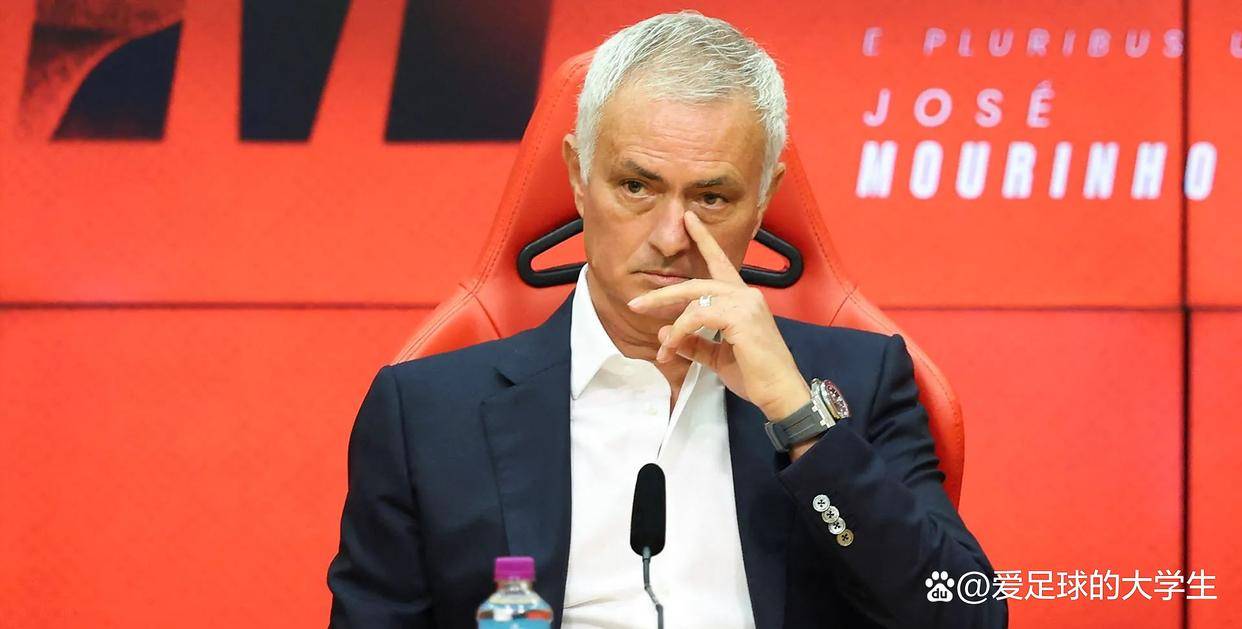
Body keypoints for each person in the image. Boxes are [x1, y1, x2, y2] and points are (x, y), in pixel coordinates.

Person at [327, 10, 1006, 629]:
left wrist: (799, 417)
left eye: (711, 198)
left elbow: (966, 616)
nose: (671, 237)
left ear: (762, 199)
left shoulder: (860, 382)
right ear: (578, 174)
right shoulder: (425, 415)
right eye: (636, 186)